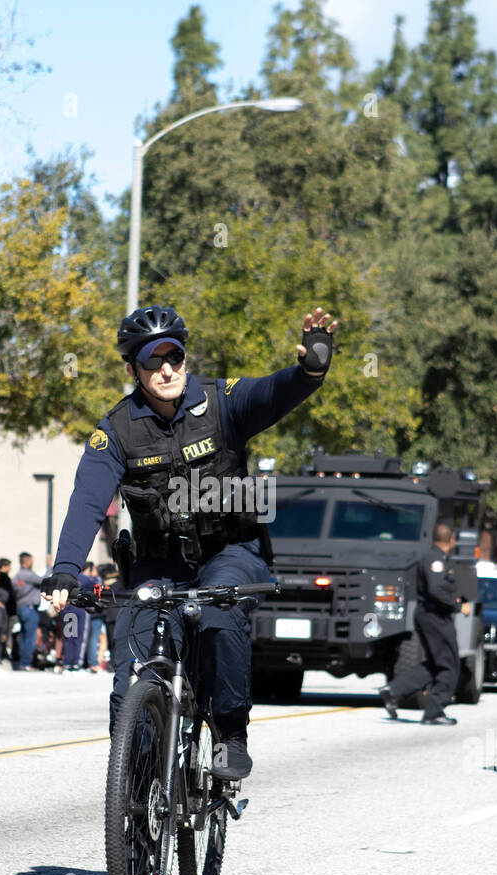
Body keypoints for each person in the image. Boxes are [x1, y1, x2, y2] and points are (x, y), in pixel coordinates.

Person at [43, 302, 338, 779]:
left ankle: (229, 735)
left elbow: (273, 392)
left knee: (221, 616)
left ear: (185, 358)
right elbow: (87, 500)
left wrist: (309, 371)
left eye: (174, 357)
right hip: (159, 564)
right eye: (152, 360)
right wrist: (66, 569)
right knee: (131, 671)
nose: (165, 369)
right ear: (132, 369)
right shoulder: (116, 431)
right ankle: (137, 791)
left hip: (231, 553)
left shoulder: (224, 402)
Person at [379, 524, 471, 726]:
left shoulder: (434, 557)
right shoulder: (435, 559)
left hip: (431, 616)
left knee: (436, 663)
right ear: (451, 540)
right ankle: (434, 712)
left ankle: (394, 690)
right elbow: (436, 589)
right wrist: (458, 605)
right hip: (435, 617)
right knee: (449, 665)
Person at [14, 552, 44, 670]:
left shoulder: (17, 576)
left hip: (21, 607)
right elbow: (44, 580)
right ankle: (25, 663)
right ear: (26, 561)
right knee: (30, 637)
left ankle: (22, 662)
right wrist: (49, 567)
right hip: (30, 608)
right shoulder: (28, 575)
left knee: (23, 636)